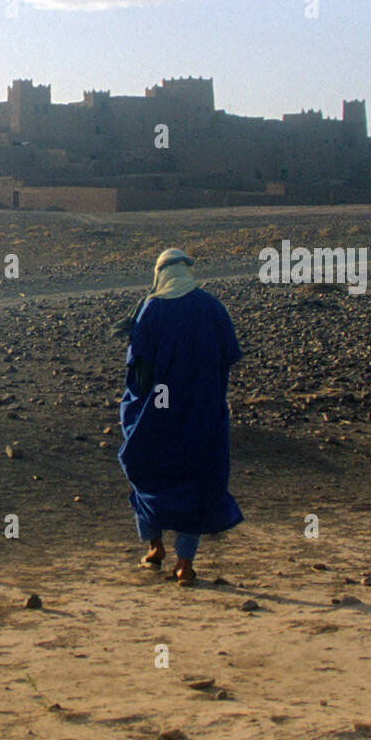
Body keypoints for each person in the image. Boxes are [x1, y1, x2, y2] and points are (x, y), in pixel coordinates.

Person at [117, 248, 243, 585]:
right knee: (197, 480)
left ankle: (155, 546)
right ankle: (185, 564)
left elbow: (139, 370)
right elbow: (230, 354)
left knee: (145, 469)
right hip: (202, 412)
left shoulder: (152, 308)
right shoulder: (212, 306)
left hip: (159, 411)